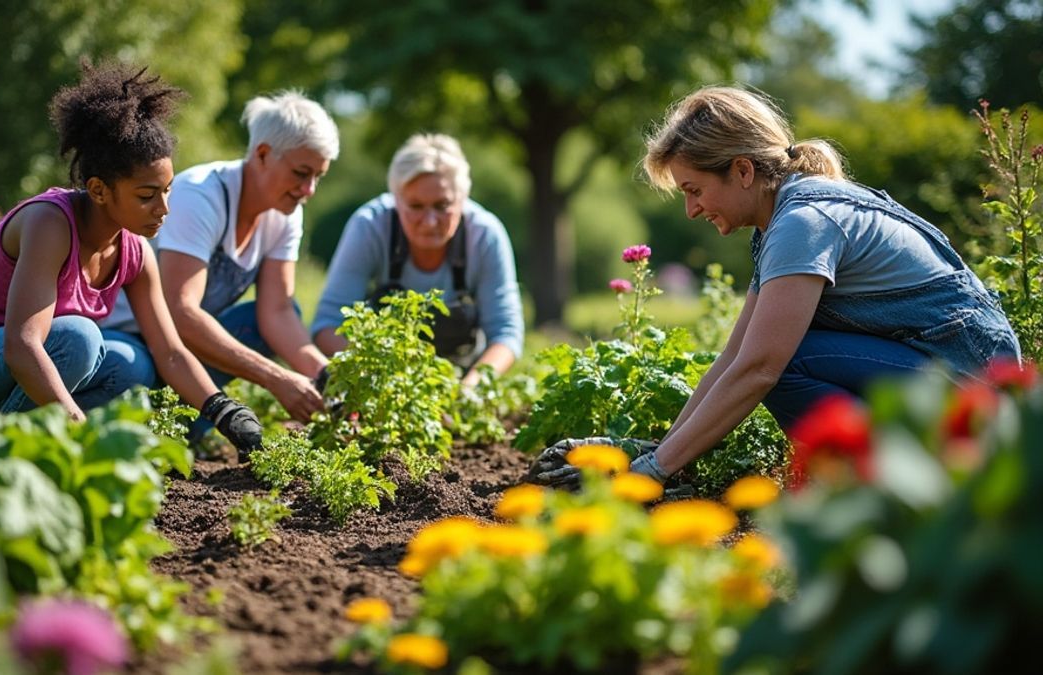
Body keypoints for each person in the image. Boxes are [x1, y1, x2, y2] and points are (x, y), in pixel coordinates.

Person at [532, 85, 1020, 488]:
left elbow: (760, 369)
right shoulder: (780, 225)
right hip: (943, 376)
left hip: (974, 391)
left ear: (743, 170)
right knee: (772, 357)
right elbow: (735, 356)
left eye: (694, 190)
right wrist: (656, 453)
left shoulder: (803, 222)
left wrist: (651, 475)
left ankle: (898, 480)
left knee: (784, 363)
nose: (691, 210)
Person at [0, 61, 262, 456]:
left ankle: (29, 442)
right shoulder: (50, 223)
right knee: (79, 338)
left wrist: (223, 410)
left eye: (168, 190)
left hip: (22, 366)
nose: (164, 208)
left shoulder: (134, 252)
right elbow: (21, 345)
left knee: (132, 366)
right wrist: (82, 431)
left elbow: (170, 350)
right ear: (99, 190)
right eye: (147, 195)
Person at [102, 91, 336, 430]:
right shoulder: (200, 195)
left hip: (183, 350)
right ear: (263, 154)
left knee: (272, 319)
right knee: (129, 366)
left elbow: (278, 312)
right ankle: (155, 421)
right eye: (302, 173)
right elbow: (180, 312)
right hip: (133, 336)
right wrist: (275, 377)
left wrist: (326, 377)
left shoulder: (285, 212)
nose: (309, 189)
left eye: (318, 176)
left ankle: (184, 423)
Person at [311, 133, 524, 387]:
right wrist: (380, 381)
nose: (430, 221)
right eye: (415, 206)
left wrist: (470, 390)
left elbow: (505, 332)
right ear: (396, 200)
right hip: (382, 378)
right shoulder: (370, 226)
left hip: (461, 377)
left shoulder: (485, 235)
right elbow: (328, 324)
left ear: (462, 199)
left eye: (442, 205)